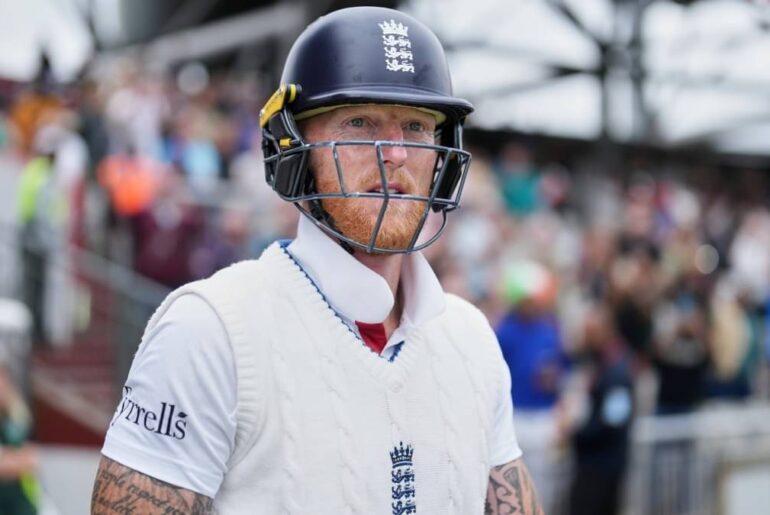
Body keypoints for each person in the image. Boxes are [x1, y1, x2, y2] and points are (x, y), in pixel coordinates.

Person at [91, 7, 543, 514]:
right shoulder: (210, 328)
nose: (394, 153)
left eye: (416, 127)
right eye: (359, 121)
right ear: (296, 148)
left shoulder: (472, 340)